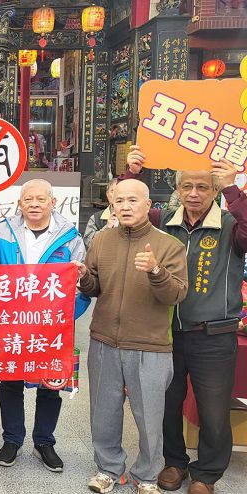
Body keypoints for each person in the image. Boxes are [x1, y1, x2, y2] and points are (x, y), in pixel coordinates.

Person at [125, 146, 247, 494]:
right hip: (166, 333)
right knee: (166, 402)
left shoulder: (231, 225)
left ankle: (206, 474)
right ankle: (174, 462)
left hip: (214, 335)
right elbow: (127, 212)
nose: (194, 193)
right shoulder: (162, 221)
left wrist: (232, 188)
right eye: (187, 186)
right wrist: (133, 173)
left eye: (203, 187)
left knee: (213, 409)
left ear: (214, 190)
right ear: (177, 189)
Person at [74, 178, 188, 494]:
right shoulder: (101, 240)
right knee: (103, 412)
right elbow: (95, 287)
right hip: (104, 340)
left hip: (150, 345)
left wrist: (156, 271)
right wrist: (83, 277)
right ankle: (107, 469)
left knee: (150, 416)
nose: (125, 206)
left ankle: (147, 475)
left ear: (148, 205)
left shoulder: (168, 245)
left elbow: (177, 294)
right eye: (119, 200)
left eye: (133, 200)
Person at [0, 179, 89, 473]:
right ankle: (12, 439)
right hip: (11, 323)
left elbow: (80, 287)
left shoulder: (70, 238)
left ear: (53, 203)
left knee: (51, 385)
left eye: (41, 199)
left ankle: (44, 442)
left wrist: (64, 318)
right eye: (28, 199)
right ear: (19, 203)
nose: (34, 204)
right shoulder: (1, 231)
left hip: (51, 327)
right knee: (10, 383)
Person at [83, 178, 119, 249]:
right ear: (107, 194)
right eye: (112, 191)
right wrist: (106, 228)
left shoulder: (134, 216)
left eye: (119, 191)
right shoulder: (96, 218)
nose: (116, 195)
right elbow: (88, 242)